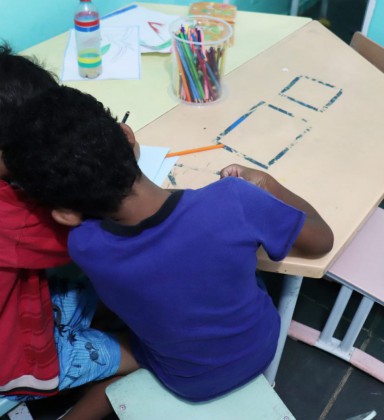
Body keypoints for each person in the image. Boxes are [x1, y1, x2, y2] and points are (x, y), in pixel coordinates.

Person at [2, 85, 334, 403]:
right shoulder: (235, 201)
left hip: (182, 377)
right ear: (127, 135)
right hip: (260, 348)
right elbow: (321, 240)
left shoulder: (84, 245)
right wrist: (265, 182)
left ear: (65, 214)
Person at [0, 45, 138, 420]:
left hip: (22, 305)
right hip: (14, 364)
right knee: (146, 351)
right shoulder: (13, 220)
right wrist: (121, 167)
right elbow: (83, 236)